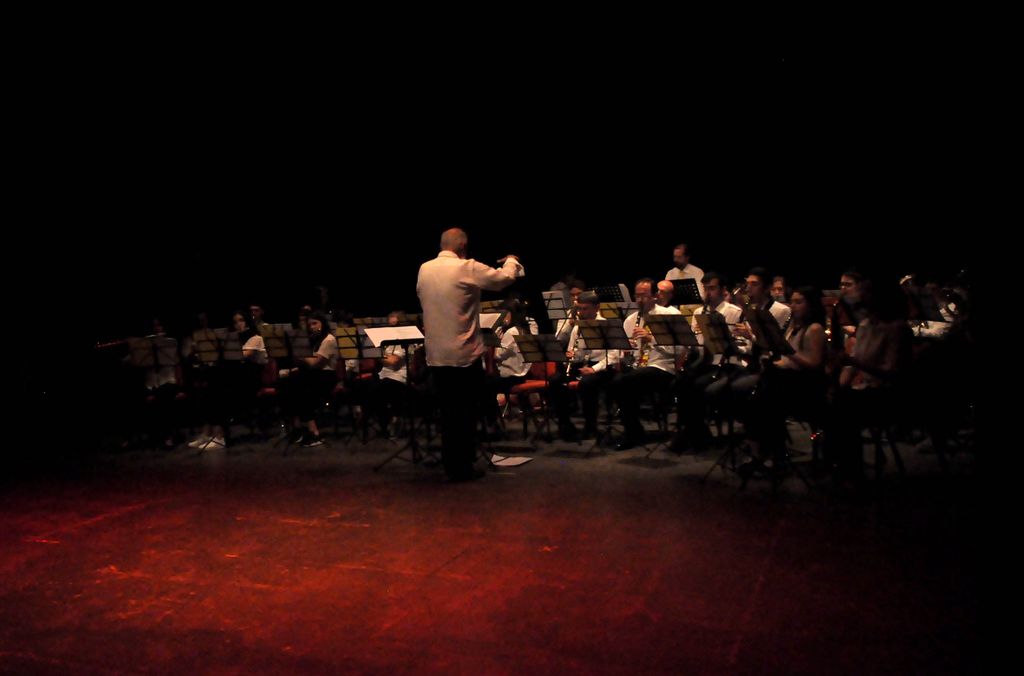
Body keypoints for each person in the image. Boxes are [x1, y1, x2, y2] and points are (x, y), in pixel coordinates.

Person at [416, 228, 523, 481]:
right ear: (463, 246)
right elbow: (503, 279)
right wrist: (511, 260)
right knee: (465, 413)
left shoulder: (424, 268)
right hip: (463, 353)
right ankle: (462, 467)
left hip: (436, 354)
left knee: (448, 413)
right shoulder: (465, 267)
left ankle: (451, 464)